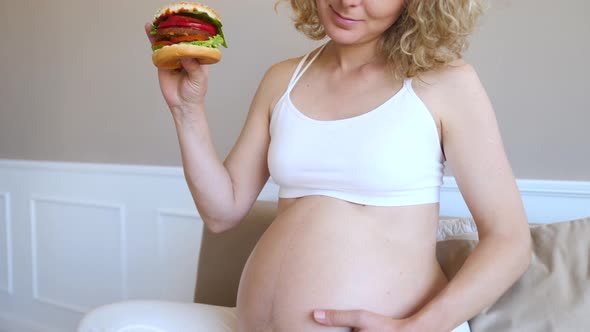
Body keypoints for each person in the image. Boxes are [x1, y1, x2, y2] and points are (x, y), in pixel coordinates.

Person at [141, 0, 532, 331]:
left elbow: (510, 241)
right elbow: (221, 212)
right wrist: (186, 110)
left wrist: (420, 327)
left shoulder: (446, 83)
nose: (348, 1)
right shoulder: (283, 79)